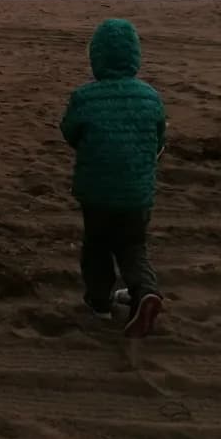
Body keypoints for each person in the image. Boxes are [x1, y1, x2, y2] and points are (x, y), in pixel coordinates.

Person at [60, 19, 166, 338]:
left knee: (97, 247)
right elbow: (159, 139)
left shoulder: (84, 96)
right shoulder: (150, 96)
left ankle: (100, 302)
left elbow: (69, 131)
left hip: (96, 193)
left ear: (96, 57)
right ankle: (144, 291)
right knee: (133, 246)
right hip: (137, 194)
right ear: (135, 56)